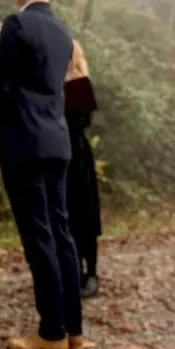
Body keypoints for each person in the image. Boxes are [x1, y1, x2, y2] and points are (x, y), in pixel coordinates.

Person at [0, 0, 95, 349]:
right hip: (58, 142)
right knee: (62, 234)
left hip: (24, 143)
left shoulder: (18, 24)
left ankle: (51, 333)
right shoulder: (64, 32)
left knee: (39, 237)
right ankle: (74, 330)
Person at [64, 40, 102, 299]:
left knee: (84, 212)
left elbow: (82, 119)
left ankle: (91, 273)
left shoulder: (80, 82)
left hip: (76, 151)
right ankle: (74, 270)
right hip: (61, 149)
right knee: (67, 212)